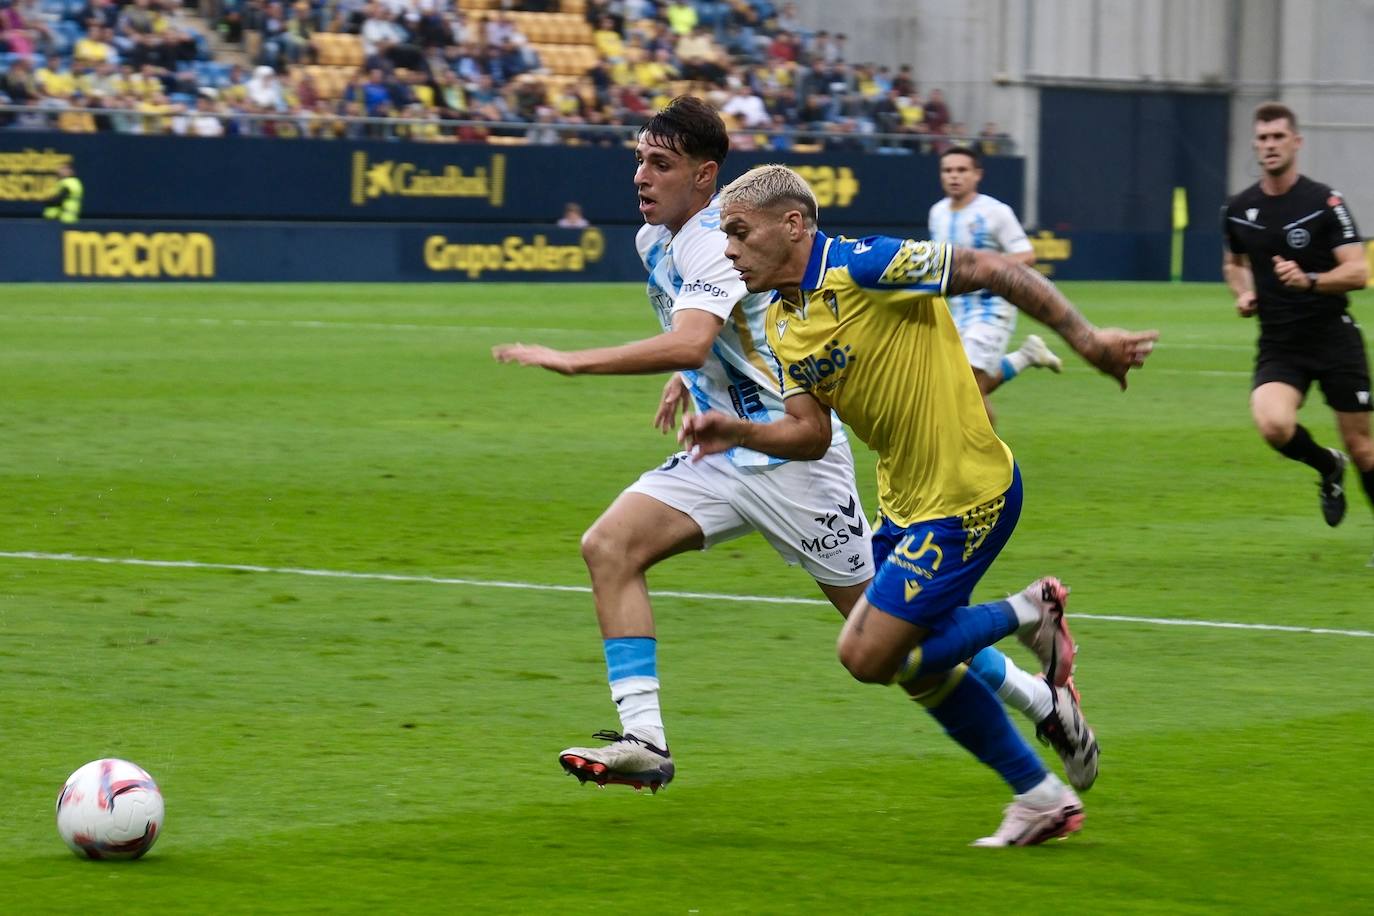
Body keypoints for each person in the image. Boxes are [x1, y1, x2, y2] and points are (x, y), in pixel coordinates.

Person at [493, 98, 1099, 815]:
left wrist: (572, 361)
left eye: (659, 163)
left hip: (797, 467)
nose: (640, 176)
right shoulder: (659, 240)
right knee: (609, 546)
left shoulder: (716, 240)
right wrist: (688, 383)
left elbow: (694, 335)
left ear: (704, 174)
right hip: (726, 449)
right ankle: (646, 743)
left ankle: (1039, 726)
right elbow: (711, 339)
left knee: (894, 649)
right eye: (638, 160)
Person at [683, 164, 1157, 845]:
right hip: (905, 505)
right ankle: (1040, 794)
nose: (727, 248)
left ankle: (1028, 612)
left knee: (867, 656)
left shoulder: (867, 265)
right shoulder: (783, 323)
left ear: (792, 225)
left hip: (969, 492)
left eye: (738, 232)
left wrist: (1087, 340)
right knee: (909, 667)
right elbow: (811, 435)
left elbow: (992, 269)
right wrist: (738, 431)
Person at [1222, 101, 1373, 561]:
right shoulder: (1239, 208)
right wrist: (1244, 292)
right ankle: (1328, 467)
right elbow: (1233, 264)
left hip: (1333, 337)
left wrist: (1309, 280)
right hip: (1280, 344)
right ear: (1256, 144)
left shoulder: (1324, 202)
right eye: (1262, 138)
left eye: (1277, 137)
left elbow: (1358, 271)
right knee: (1273, 424)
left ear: (1296, 142)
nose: (1269, 145)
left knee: (1364, 447)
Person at [930, 145, 1059, 423]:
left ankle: (989, 459)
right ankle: (1027, 355)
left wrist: (987, 270)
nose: (954, 176)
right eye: (948, 170)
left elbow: (1027, 255)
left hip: (992, 309)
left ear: (977, 175)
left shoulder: (995, 212)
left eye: (962, 170)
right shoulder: (937, 213)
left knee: (969, 387)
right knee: (958, 388)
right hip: (956, 312)